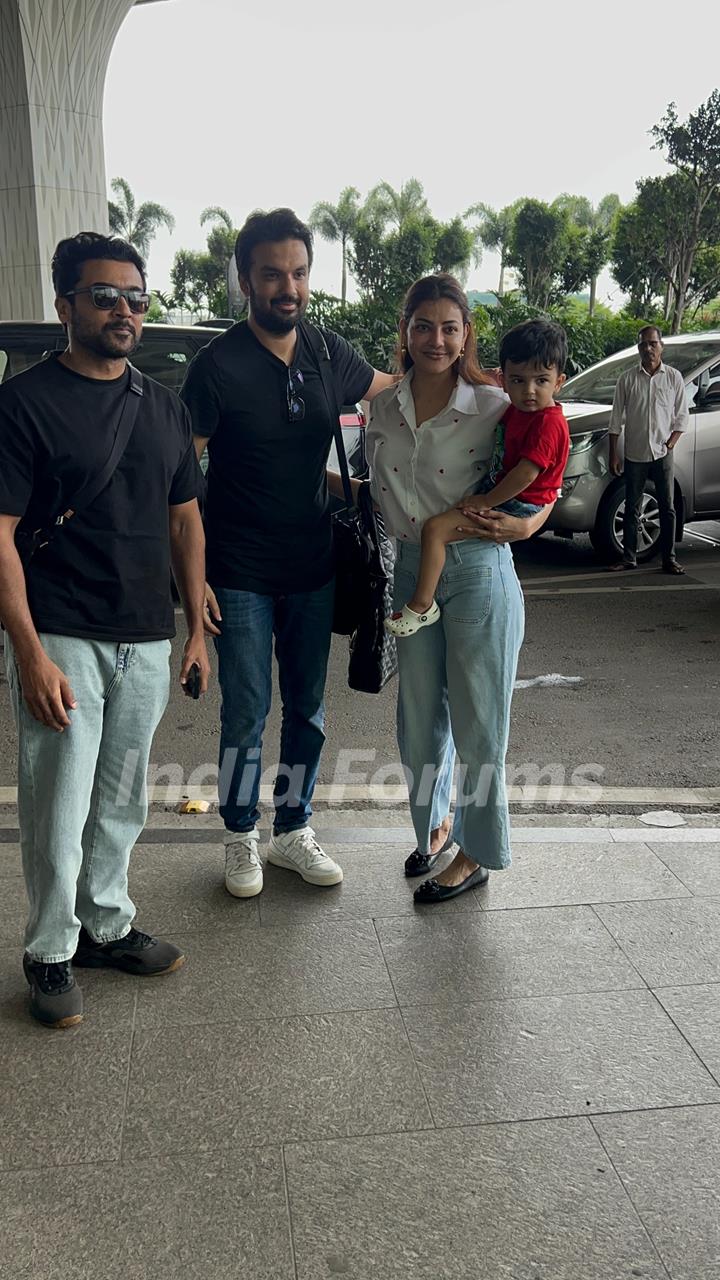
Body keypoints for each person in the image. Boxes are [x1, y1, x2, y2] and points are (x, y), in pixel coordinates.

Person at [0, 232, 210, 1029]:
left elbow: (186, 523)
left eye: (135, 296)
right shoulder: (23, 405)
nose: (123, 310)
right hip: (63, 635)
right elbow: (1, 534)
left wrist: (194, 630)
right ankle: (49, 950)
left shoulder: (162, 407)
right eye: (103, 295)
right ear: (65, 306)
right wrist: (28, 652)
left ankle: (105, 923)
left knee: (122, 799)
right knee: (58, 803)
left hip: (147, 637)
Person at [180, 208, 396, 900]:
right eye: (272, 273)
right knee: (246, 710)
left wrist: (489, 392)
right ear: (246, 279)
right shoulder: (215, 369)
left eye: (298, 273)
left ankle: (292, 829)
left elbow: (406, 389)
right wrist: (192, 588)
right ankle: (241, 833)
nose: (288, 287)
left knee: (308, 710)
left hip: (313, 566)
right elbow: (183, 485)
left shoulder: (329, 353)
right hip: (238, 571)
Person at [361, 274, 550, 903]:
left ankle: (476, 851)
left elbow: (544, 474)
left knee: (479, 723)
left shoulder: (497, 404)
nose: (435, 340)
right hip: (410, 570)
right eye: (423, 326)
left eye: (449, 327)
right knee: (418, 722)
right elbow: (371, 489)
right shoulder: (381, 407)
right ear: (404, 331)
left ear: (466, 333)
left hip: (478, 570)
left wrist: (527, 523)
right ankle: (436, 826)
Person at [385, 318, 569, 637]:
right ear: (503, 379)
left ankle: (421, 606)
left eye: (541, 380)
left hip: (515, 504)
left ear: (559, 381)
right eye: (518, 380)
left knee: (436, 530)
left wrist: (487, 500)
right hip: (506, 496)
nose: (528, 390)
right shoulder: (514, 409)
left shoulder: (547, 423)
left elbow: (527, 474)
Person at [607, 325, 688, 574]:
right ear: (638, 348)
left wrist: (671, 443)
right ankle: (629, 558)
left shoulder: (673, 377)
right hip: (635, 453)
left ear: (661, 346)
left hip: (663, 452)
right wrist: (613, 453)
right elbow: (615, 419)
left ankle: (669, 558)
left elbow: (681, 416)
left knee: (667, 506)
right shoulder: (627, 379)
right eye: (643, 345)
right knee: (632, 506)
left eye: (653, 344)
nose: (648, 349)